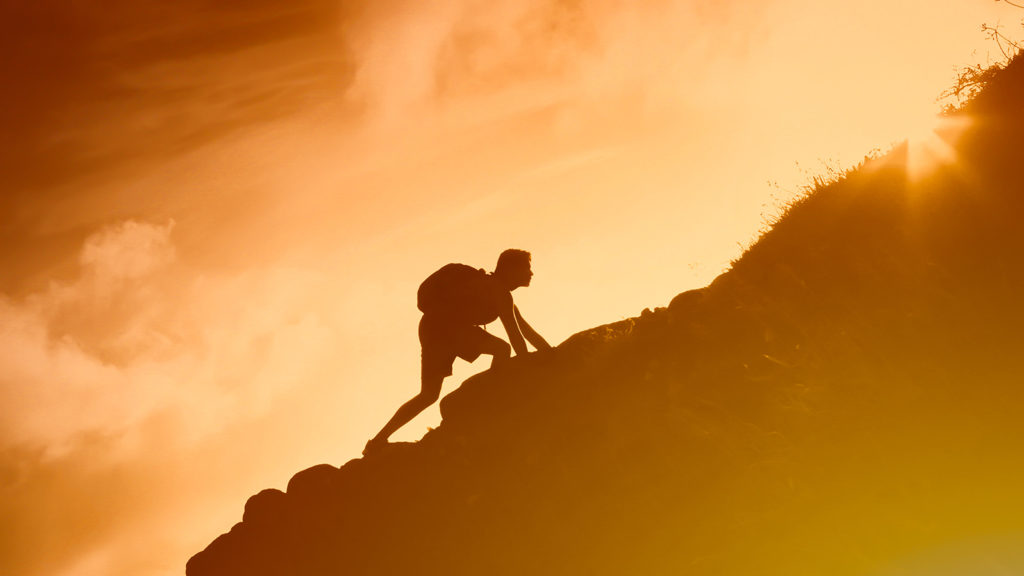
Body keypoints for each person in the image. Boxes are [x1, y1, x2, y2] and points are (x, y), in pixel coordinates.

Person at [364, 249, 551, 455]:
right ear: (510, 269)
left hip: (432, 327)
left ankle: (377, 441)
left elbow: (526, 332)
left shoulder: (500, 293)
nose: (531, 273)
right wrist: (534, 365)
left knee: (428, 395)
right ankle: (493, 400)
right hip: (446, 329)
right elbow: (516, 337)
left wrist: (551, 353)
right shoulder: (499, 292)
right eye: (527, 268)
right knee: (501, 349)